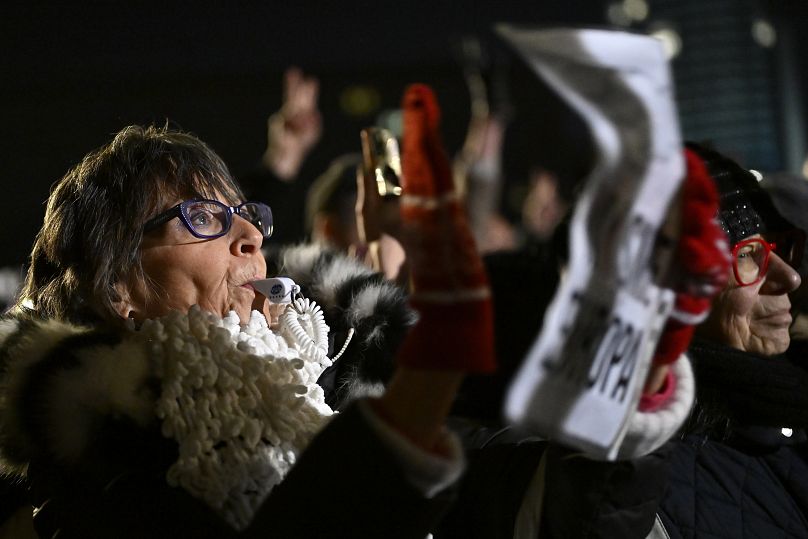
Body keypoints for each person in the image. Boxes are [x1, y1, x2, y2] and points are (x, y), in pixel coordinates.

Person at [655, 143, 808, 538]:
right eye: (748, 255)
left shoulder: (785, 406)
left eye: (782, 246)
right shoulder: (647, 485)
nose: (789, 277)